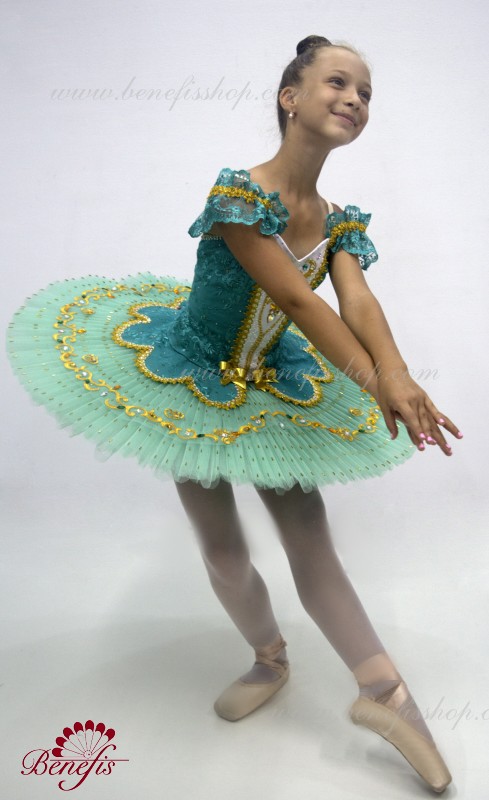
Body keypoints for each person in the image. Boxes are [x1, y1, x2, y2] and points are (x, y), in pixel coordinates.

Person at [6, 34, 462, 794]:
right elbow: (294, 299)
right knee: (222, 552)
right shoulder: (238, 195)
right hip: (189, 381)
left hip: (272, 386)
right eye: (337, 83)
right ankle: (269, 658)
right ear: (290, 97)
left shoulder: (340, 222)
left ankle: (387, 695)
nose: (354, 99)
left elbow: (356, 299)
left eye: (365, 93)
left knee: (310, 539)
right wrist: (373, 379)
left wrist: (397, 373)